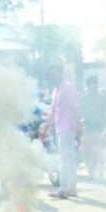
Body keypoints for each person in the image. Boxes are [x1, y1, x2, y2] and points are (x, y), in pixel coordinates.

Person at [42, 64, 81, 199]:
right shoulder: (55, 90)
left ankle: (63, 189)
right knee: (68, 158)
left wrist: (78, 127)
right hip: (60, 128)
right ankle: (71, 188)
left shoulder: (68, 88)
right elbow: (53, 111)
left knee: (64, 159)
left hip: (68, 127)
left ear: (61, 73)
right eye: (50, 74)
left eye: (54, 73)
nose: (52, 76)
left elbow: (76, 107)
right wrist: (45, 129)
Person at [79, 76, 106, 181]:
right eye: (89, 83)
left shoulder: (103, 98)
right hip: (87, 128)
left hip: (100, 128)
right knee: (86, 152)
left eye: (94, 83)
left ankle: (100, 173)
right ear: (87, 86)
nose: (92, 86)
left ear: (97, 85)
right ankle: (91, 173)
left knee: (100, 151)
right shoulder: (83, 99)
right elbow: (79, 113)